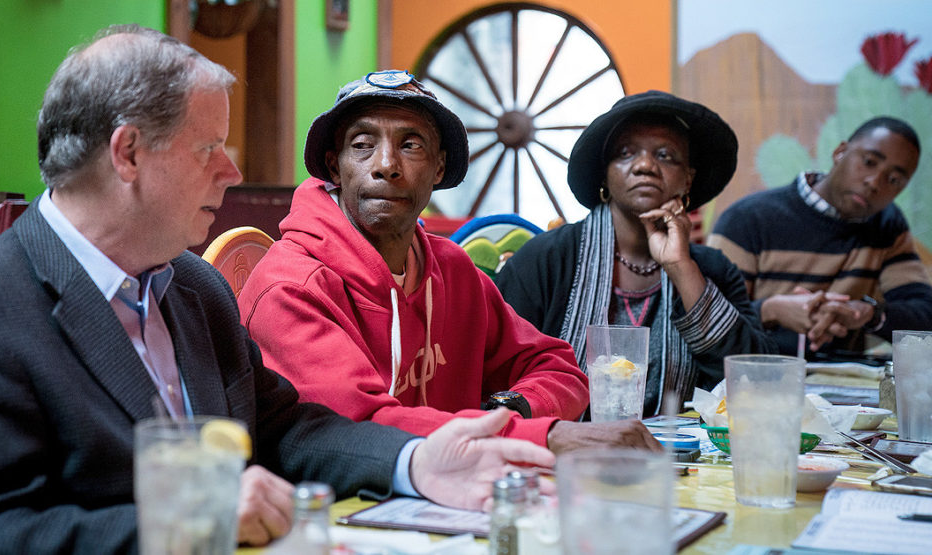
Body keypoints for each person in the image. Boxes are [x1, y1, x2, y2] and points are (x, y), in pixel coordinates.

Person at [0, 26, 558, 553]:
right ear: (128, 153)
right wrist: (187, 522)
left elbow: (284, 428)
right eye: (210, 147)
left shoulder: (194, 288)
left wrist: (416, 462)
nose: (234, 170)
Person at [238, 70, 660, 454]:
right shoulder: (292, 286)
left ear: (439, 167)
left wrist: (510, 411)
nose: (386, 165)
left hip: (452, 507)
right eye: (363, 146)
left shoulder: (453, 271)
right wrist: (542, 435)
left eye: (411, 145)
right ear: (335, 166)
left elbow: (559, 367)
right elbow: (359, 431)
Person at [496, 91, 776, 417]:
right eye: (626, 153)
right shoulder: (547, 259)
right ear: (605, 174)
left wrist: (681, 267)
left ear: (688, 180)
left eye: (665, 155)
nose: (645, 165)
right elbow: (496, 374)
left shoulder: (711, 270)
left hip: (677, 460)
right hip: (560, 453)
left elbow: (758, 384)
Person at [707, 117, 932, 357]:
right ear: (840, 152)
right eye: (868, 162)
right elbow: (706, 322)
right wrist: (771, 311)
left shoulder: (887, 225)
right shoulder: (747, 219)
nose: (874, 182)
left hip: (844, 385)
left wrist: (867, 313)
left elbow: (925, 316)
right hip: (756, 381)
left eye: (894, 180)